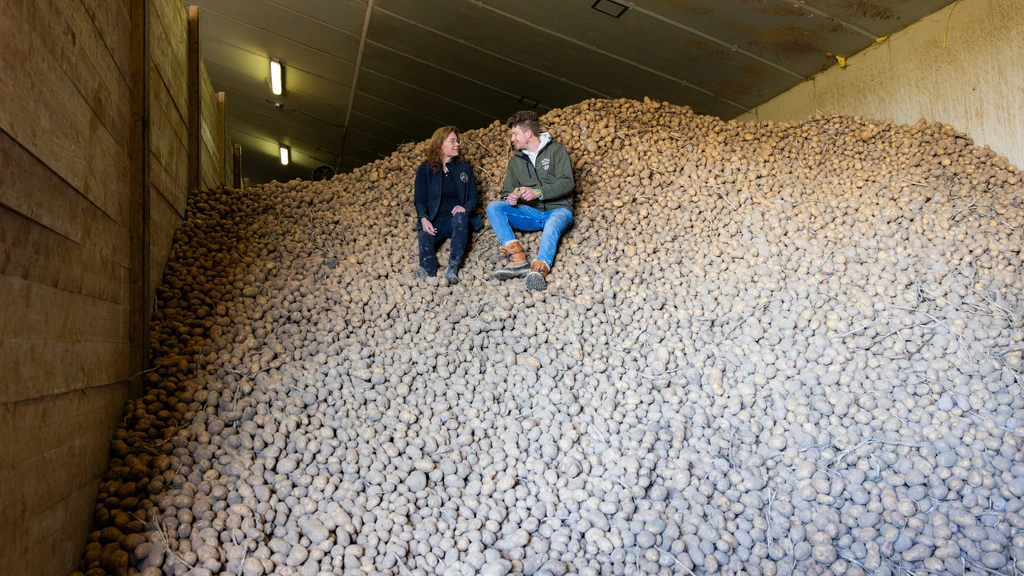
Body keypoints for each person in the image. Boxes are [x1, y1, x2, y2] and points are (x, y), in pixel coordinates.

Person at [486, 110, 575, 291]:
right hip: (531, 214)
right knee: (494, 207)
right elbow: (507, 191)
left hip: (558, 209)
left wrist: (538, 192)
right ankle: (517, 258)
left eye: (515, 134)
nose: (512, 139)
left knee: (551, 227)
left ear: (528, 133)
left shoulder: (556, 150)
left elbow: (567, 183)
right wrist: (510, 198)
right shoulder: (515, 161)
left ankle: (539, 269)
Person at [413, 126, 482, 284]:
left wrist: (465, 209)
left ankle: (453, 266)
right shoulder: (425, 169)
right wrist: (424, 219)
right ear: (440, 144)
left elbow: (473, 196)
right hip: (434, 221)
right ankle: (427, 272)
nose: (457, 144)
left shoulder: (464, 168)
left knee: (461, 217)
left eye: (458, 141)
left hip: (454, 221)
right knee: (424, 236)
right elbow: (419, 199)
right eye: (452, 141)